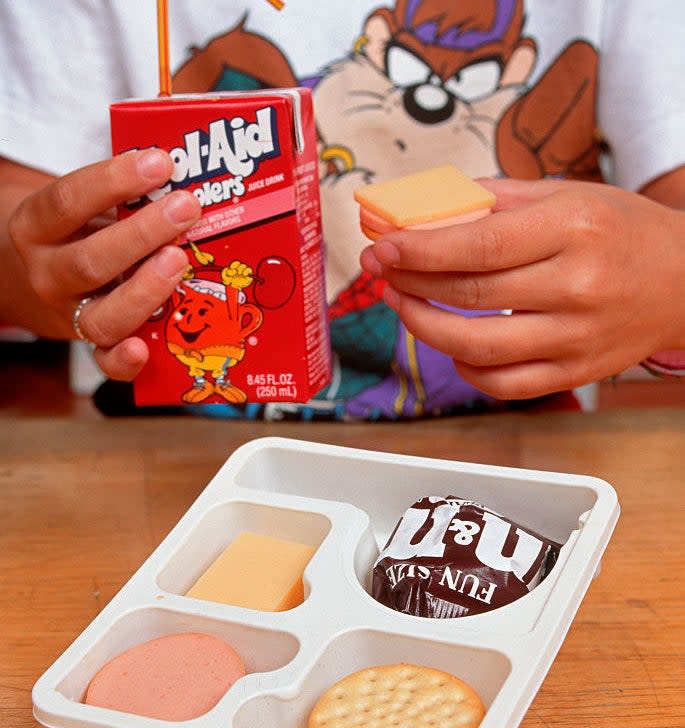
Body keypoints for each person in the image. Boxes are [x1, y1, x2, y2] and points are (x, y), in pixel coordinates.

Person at [1, 0, 683, 420]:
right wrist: (49, 276)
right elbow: (18, 232)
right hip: (177, 430)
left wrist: (671, 279)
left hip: (519, 431)